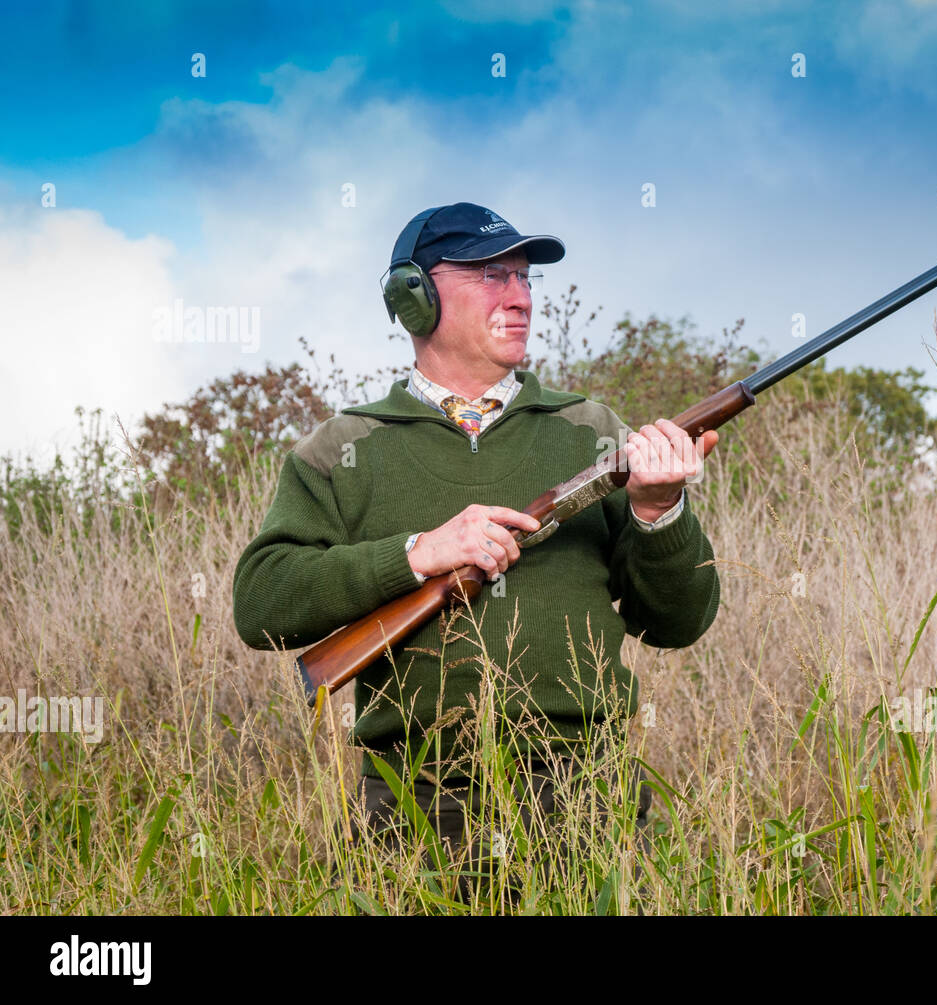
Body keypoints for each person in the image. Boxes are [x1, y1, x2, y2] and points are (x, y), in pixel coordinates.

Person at [232, 203, 721, 872]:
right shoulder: (345, 448)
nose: (519, 296)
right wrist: (415, 555)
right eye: (493, 275)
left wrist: (660, 510)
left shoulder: (591, 429)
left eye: (525, 278)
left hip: (583, 797)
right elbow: (262, 603)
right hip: (413, 806)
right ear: (416, 297)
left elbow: (678, 621)